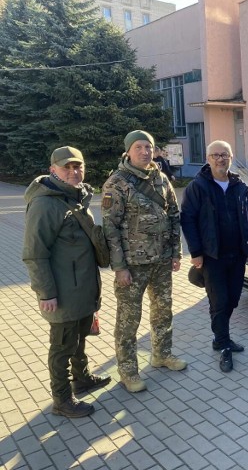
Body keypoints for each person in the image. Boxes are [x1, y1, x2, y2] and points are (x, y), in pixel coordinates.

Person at [23, 146, 111, 418]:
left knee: (79, 337)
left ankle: (81, 378)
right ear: (53, 170)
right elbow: (34, 254)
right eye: (67, 168)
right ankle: (61, 399)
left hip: (83, 287)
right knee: (62, 346)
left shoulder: (76, 197)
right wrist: (46, 293)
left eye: (78, 167)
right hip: (61, 292)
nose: (74, 172)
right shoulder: (45, 203)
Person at [102, 130, 185, 393]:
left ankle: (162, 354)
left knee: (163, 311)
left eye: (148, 147)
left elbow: (173, 215)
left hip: (161, 261)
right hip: (133, 266)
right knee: (129, 319)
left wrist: (175, 253)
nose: (145, 151)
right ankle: (128, 371)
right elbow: (110, 229)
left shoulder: (160, 178)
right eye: (139, 147)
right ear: (128, 151)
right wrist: (119, 267)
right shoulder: (116, 183)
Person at [181, 140, 248, 373]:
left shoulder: (239, 185)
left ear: (231, 158)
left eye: (224, 155)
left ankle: (221, 336)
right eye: (215, 155)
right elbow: (188, 219)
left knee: (233, 299)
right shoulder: (199, 186)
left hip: (237, 254)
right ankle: (222, 343)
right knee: (219, 301)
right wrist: (195, 253)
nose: (220, 159)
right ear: (208, 158)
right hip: (212, 256)